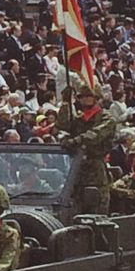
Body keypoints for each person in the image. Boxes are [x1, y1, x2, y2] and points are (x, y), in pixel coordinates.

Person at [55, 79, 117, 214]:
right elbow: (62, 125)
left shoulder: (106, 118)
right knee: (73, 210)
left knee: (97, 211)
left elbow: (96, 134)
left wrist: (76, 140)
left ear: (96, 98)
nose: (85, 100)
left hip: (96, 171)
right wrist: (66, 103)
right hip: (76, 169)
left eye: (89, 96)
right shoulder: (78, 118)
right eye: (82, 97)